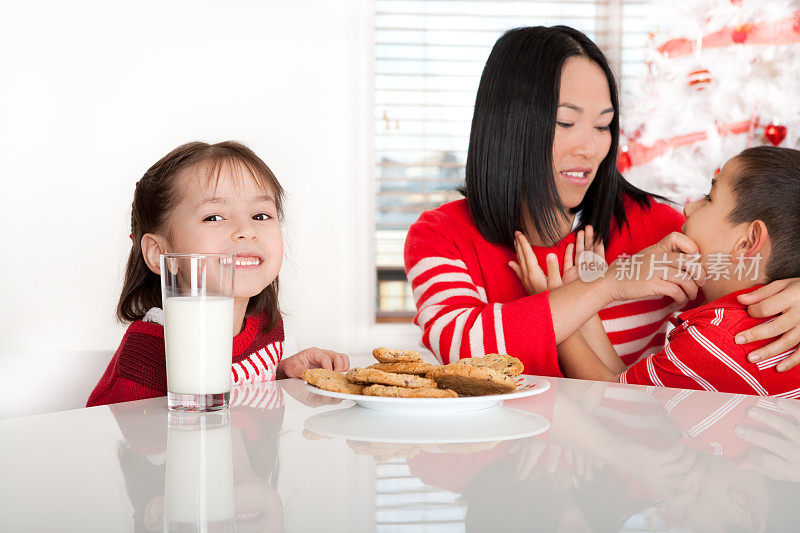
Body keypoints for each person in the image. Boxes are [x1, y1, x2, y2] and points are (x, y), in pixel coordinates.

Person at [403, 25, 800, 375]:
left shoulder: (664, 233)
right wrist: (608, 285)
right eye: (566, 122)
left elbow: (759, 265)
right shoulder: (441, 236)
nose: (591, 148)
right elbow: (461, 353)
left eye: (603, 125)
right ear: (511, 126)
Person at [88, 141, 349, 407]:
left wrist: (280, 374)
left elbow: (243, 406)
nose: (247, 230)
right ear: (159, 253)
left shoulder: (267, 327)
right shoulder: (143, 363)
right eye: (214, 217)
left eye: (260, 215)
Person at [535, 146, 800, 396]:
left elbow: (612, 400)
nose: (688, 207)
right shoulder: (773, 323)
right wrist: (585, 300)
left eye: (709, 199)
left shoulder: (713, 340)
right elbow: (627, 387)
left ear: (747, 242)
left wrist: (555, 313)